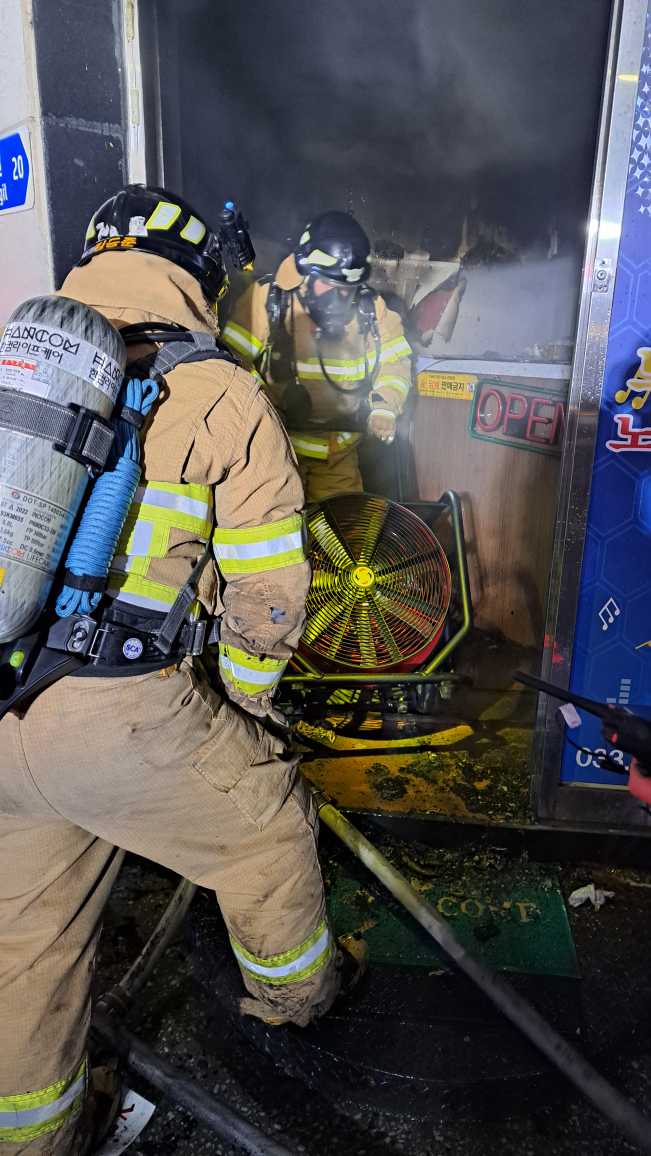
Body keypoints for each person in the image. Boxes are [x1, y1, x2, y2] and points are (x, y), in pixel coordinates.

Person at [0, 185, 345, 1156]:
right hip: (118, 717)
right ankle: (299, 998)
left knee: (28, 942)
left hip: (6, 702)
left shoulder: (20, 368)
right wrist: (247, 704)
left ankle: (33, 1140)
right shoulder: (218, 388)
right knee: (268, 827)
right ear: (195, 276)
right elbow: (267, 588)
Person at [223, 211, 413, 501]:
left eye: (346, 290)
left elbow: (395, 363)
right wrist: (263, 408)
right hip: (277, 452)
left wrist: (384, 406)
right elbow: (231, 366)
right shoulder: (268, 300)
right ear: (306, 272)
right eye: (329, 286)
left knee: (343, 528)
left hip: (339, 455)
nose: (338, 299)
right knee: (280, 524)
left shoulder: (371, 308)